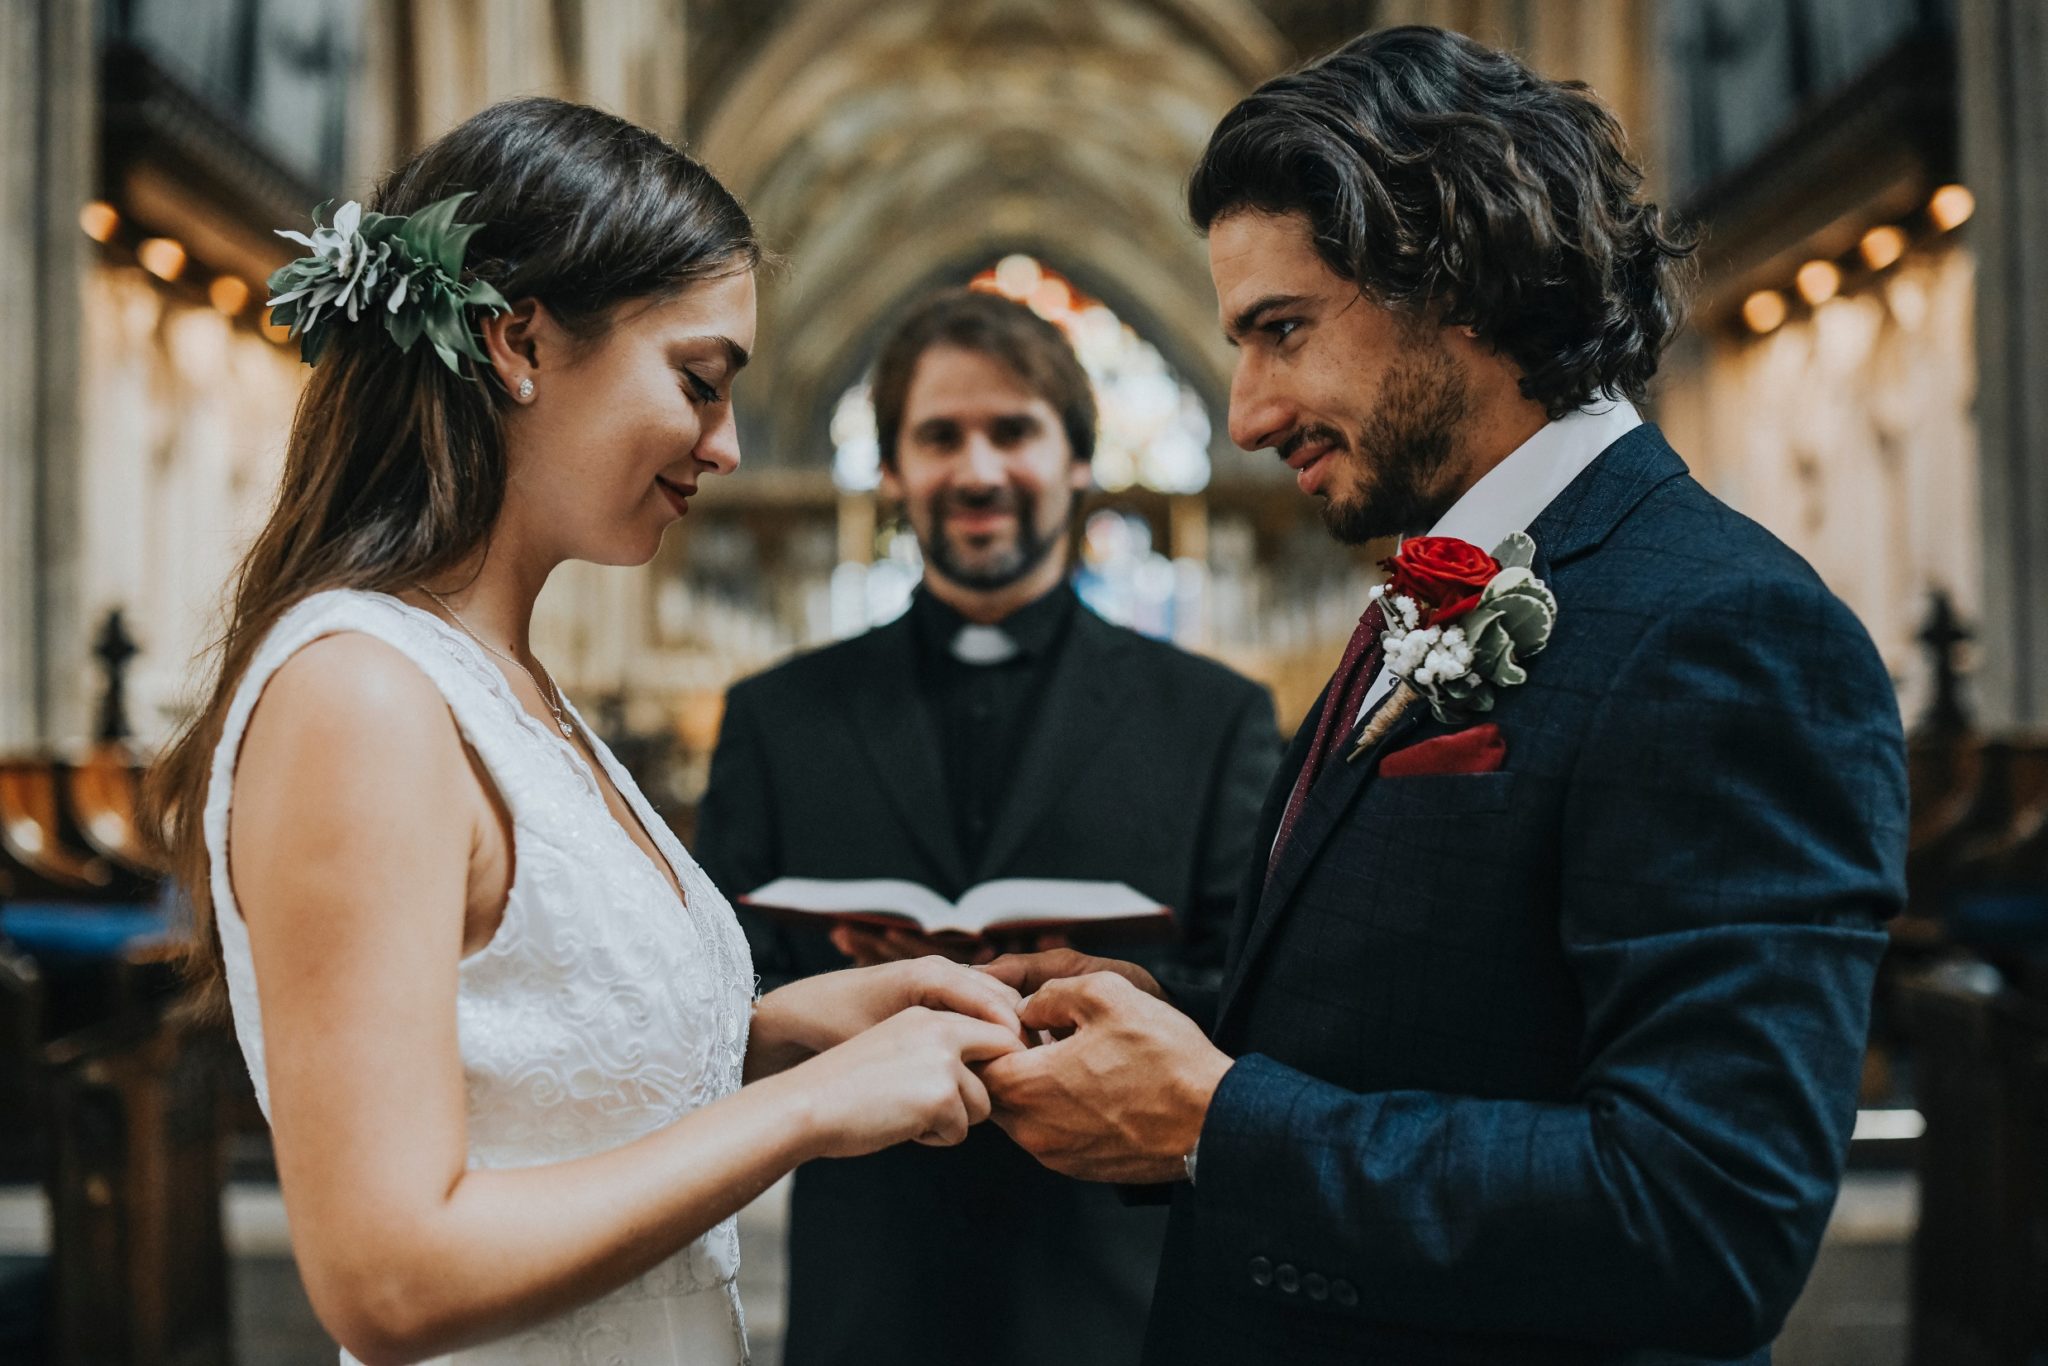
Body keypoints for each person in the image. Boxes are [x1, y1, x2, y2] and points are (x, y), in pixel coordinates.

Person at [980, 26, 1909, 1366]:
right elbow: (1437, 1000)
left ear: (1460, 279)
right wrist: (1163, 1022)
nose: (1246, 411)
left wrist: (1215, 1121)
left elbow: (1709, 1212)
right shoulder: (1442, 580)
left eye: (1282, 331)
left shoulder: (1728, 630)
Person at [145, 97, 1027, 1366]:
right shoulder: (363, 695)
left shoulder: (505, 679)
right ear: (518, 342)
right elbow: (387, 1277)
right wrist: (805, 1113)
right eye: (698, 380)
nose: (723, 446)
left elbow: (533, 1067)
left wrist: (783, 1031)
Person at [694, 288, 1280, 1366]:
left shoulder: (1211, 716)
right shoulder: (779, 718)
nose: (976, 469)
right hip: (869, 1292)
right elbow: (704, 1000)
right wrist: (824, 996)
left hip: (1114, 1295)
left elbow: (1249, 993)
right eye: (938, 436)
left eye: (1012, 431)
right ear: (890, 472)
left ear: (1075, 464)